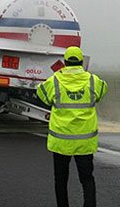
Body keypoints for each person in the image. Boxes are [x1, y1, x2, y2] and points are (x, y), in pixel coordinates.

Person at [36, 46, 108, 207]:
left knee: (61, 180)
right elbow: (103, 90)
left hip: (61, 141)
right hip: (85, 142)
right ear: (82, 62)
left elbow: (41, 94)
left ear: (65, 62)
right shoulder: (92, 80)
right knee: (87, 179)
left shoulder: (55, 80)